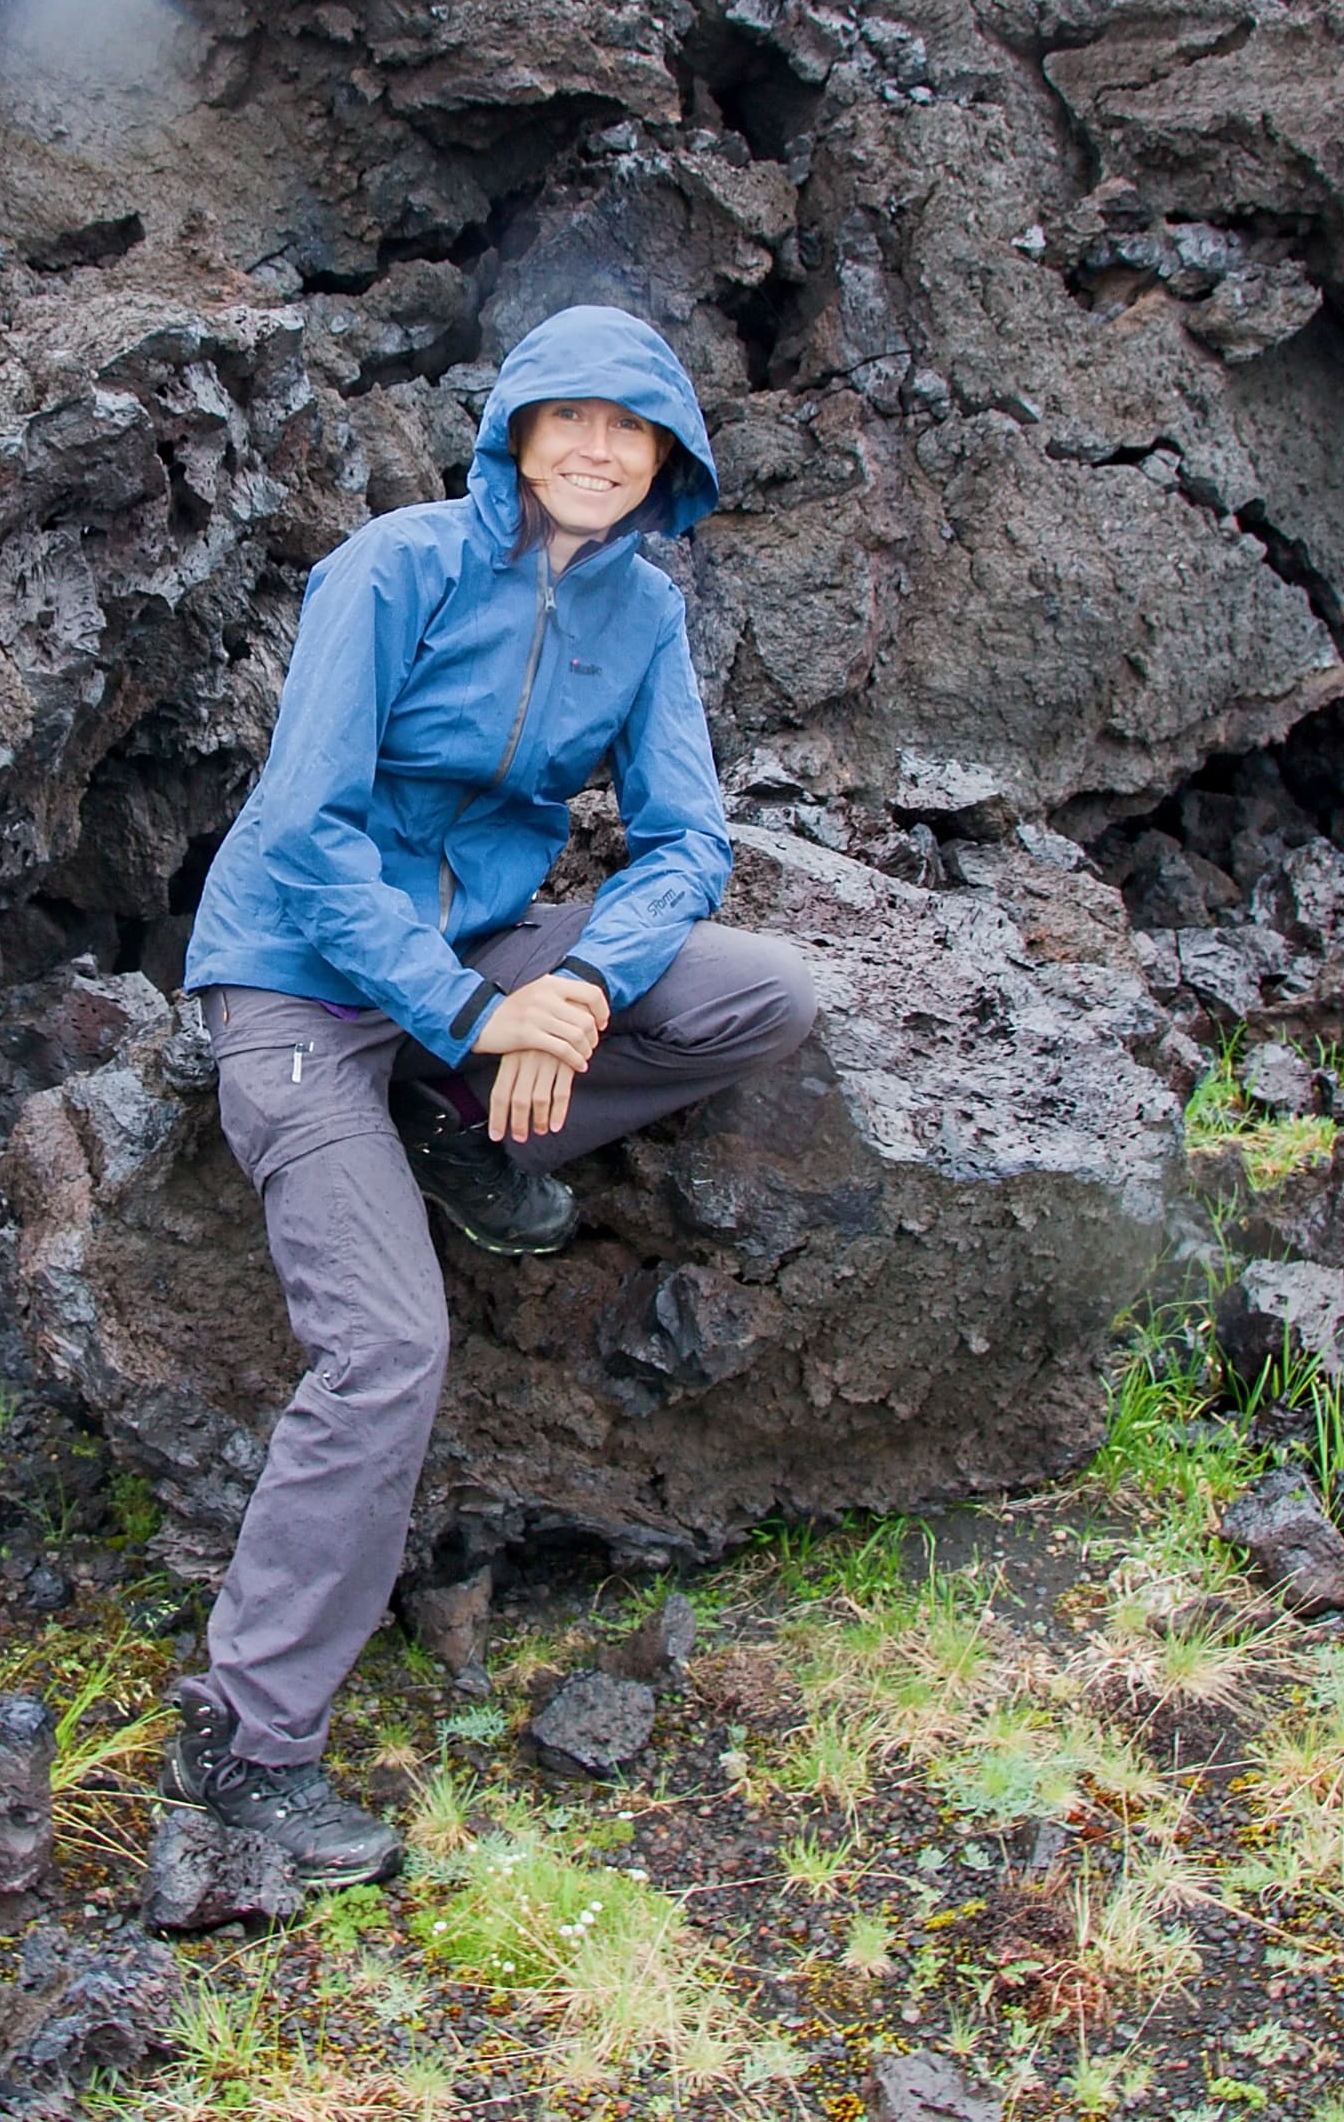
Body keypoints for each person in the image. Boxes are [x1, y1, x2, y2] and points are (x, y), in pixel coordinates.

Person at [159, 301, 819, 1886]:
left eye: (629, 427)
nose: (595, 450)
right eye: (565, 418)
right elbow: (307, 831)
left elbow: (686, 843)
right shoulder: (390, 570)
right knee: (387, 1344)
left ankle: (460, 1126)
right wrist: (469, 1006)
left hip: (480, 966)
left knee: (766, 992)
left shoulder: (644, 615)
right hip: (303, 983)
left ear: (667, 458)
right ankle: (247, 1752)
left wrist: (573, 993)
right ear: (512, 434)